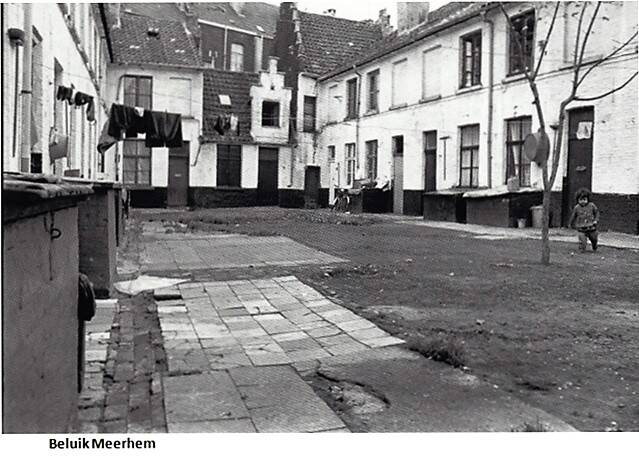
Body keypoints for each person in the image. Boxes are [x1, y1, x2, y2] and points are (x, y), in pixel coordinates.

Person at [568, 188, 599, 252]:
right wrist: (570, 223)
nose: (582, 201)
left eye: (584, 199)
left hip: (591, 227)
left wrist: (596, 220)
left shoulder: (592, 206)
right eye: (580, 200)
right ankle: (582, 248)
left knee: (594, 238)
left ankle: (594, 245)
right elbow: (573, 216)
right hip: (581, 228)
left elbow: (597, 213)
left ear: (588, 199)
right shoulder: (577, 208)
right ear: (578, 200)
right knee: (582, 240)